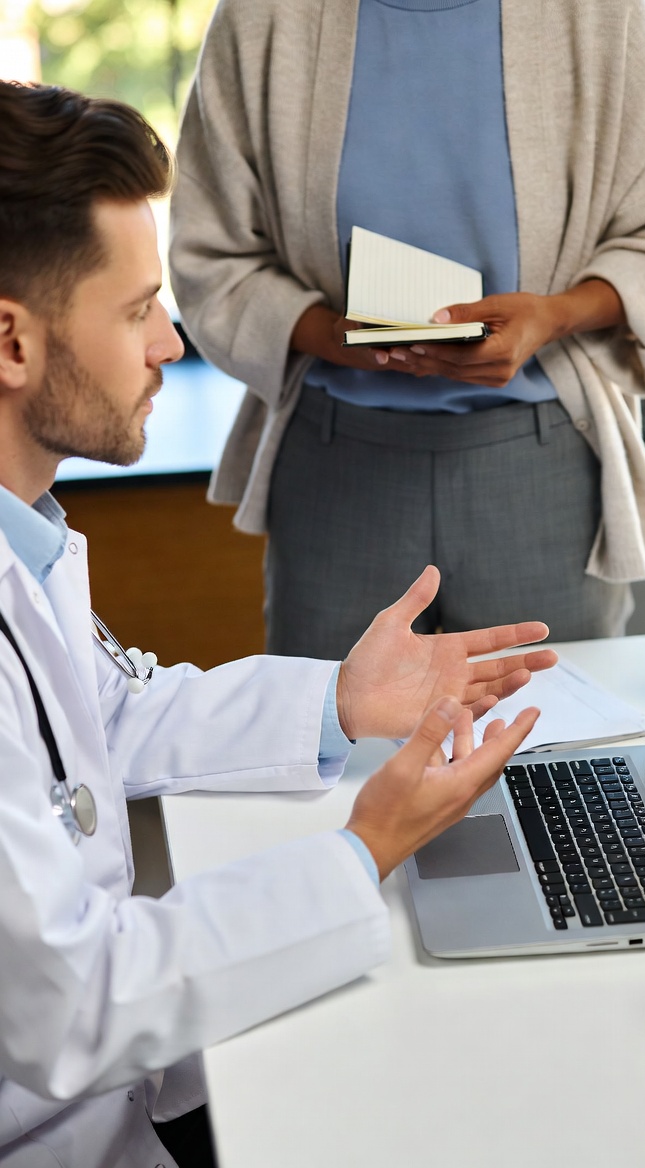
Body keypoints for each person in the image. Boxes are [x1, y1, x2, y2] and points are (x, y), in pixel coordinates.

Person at [0, 81, 558, 1168]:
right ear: (10, 343)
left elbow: (104, 715)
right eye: (135, 310)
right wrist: (367, 847)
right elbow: (77, 1004)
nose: (170, 341)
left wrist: (338, 701)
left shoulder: (26, 536)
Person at [169, 0, 645, 661]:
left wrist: (552, 316)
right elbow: (208, 254)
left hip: (540, 460)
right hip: (338, 461)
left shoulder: (601, 13)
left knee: (547, 746)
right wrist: (329, 333)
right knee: (331, 751)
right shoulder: (263, 16)